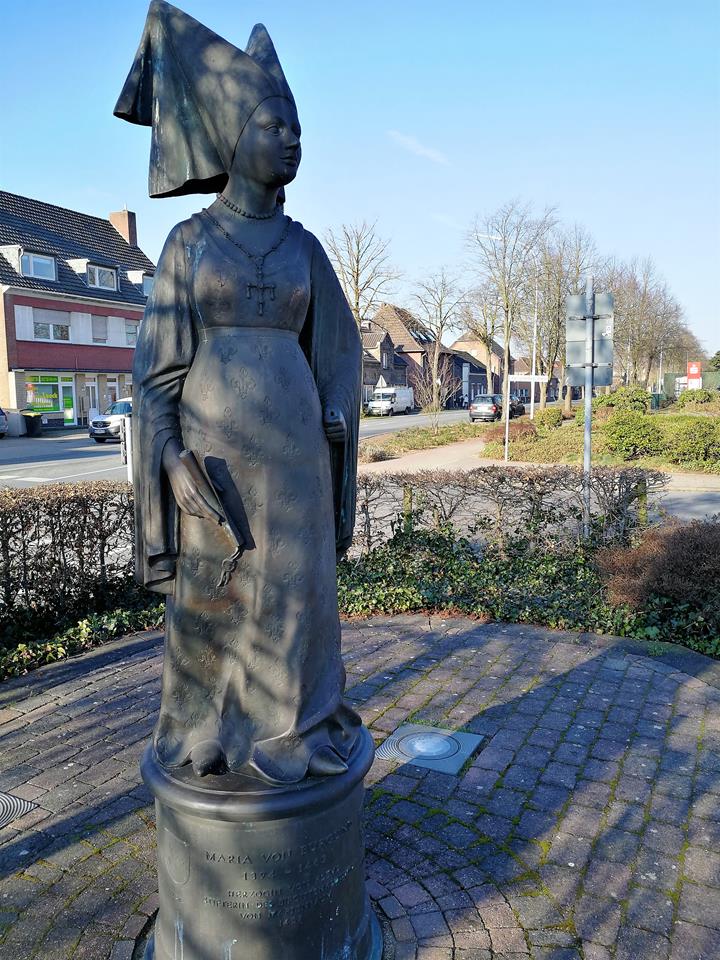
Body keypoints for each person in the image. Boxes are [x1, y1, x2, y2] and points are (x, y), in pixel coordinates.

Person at [115, 1, 361, 784]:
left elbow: (342, 350)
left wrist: (336, 407)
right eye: (273, 125)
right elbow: (155, 372)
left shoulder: (305, 249)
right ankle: (205, 727)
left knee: (293, 597)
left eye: (297, 128)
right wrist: (170, 458)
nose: (291, 139)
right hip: (213, 462)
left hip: (295, 467)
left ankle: (297, 729)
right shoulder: (187, 244)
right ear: (233, 137)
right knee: (209, 596)